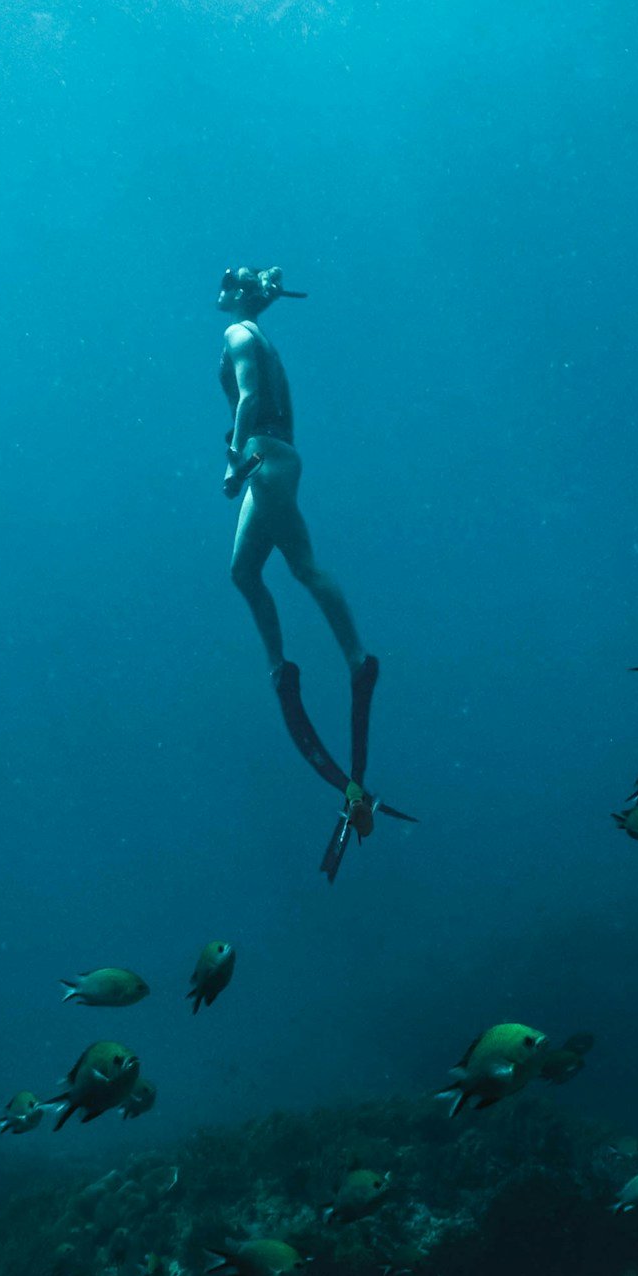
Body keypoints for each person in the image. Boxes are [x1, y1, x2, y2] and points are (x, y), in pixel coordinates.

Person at [216, 265, 411, 877]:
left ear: (242, 294)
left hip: (264, 459)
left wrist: (231, 463)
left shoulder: (240, 336)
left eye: (227, 281)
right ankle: (295, 665)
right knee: (248, 573)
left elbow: (249, 396)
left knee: (298, 567)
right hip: (273, 458)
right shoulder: (262, 337)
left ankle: (350, 659)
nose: (218, 289)